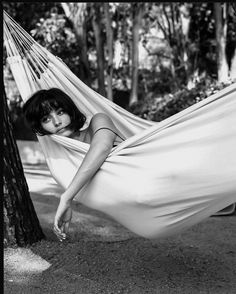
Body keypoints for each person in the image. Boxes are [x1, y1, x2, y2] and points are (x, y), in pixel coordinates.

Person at [23, 88, 125, 241]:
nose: (57, 122)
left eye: (60, 112)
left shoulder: (99, 120)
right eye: (46, 119)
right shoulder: (61, 157)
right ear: (40, 127)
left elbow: (102, 147)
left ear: (70, 111)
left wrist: (66, 198)